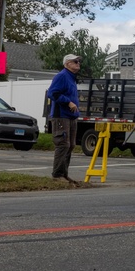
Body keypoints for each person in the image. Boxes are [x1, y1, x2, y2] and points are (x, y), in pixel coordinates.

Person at [47, 53, 82, 183]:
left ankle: (64, 174)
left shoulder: (71, 78)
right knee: (63, 144)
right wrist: (68, 102)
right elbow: (52, 93)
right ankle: (57, 175)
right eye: (75, 61)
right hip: (61, 116)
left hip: (71, 116)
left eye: (78, 61)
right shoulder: (61, 76)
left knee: (71, 145)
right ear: (67, 64)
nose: (78, 63)